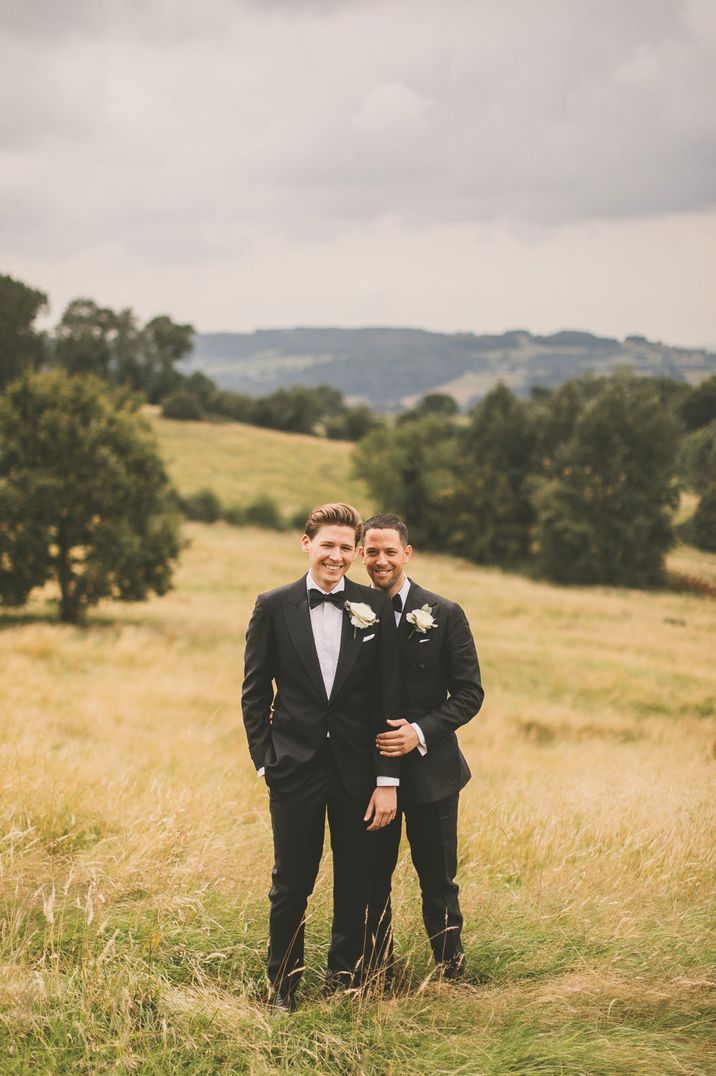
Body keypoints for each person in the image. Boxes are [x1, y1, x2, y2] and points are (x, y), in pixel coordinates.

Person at [241, 502, 401, 1011]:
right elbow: (254, 690)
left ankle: (343, 982)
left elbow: (387, 701)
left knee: (354, 881)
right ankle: (283, 988)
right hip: (294, 769)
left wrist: (386, 778)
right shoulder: (273, 605)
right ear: (306, 543)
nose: (337, 556)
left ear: (356, 553)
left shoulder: (372, 607)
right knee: (291, 884)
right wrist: (266, 759)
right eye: (327, 545)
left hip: (358, 771)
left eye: (346, 548)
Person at [360, 513, 484, 981]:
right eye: (372, 551)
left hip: (434, 777)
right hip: (370, 777)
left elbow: (470, 694)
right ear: (360, 554)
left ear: (406, 553)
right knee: (372, 882)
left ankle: (452, 974)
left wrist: (420, 731)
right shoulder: (350, 610)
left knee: (438, 882)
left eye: (390, 551)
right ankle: (374, 975)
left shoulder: (444, 612)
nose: (381, 560)